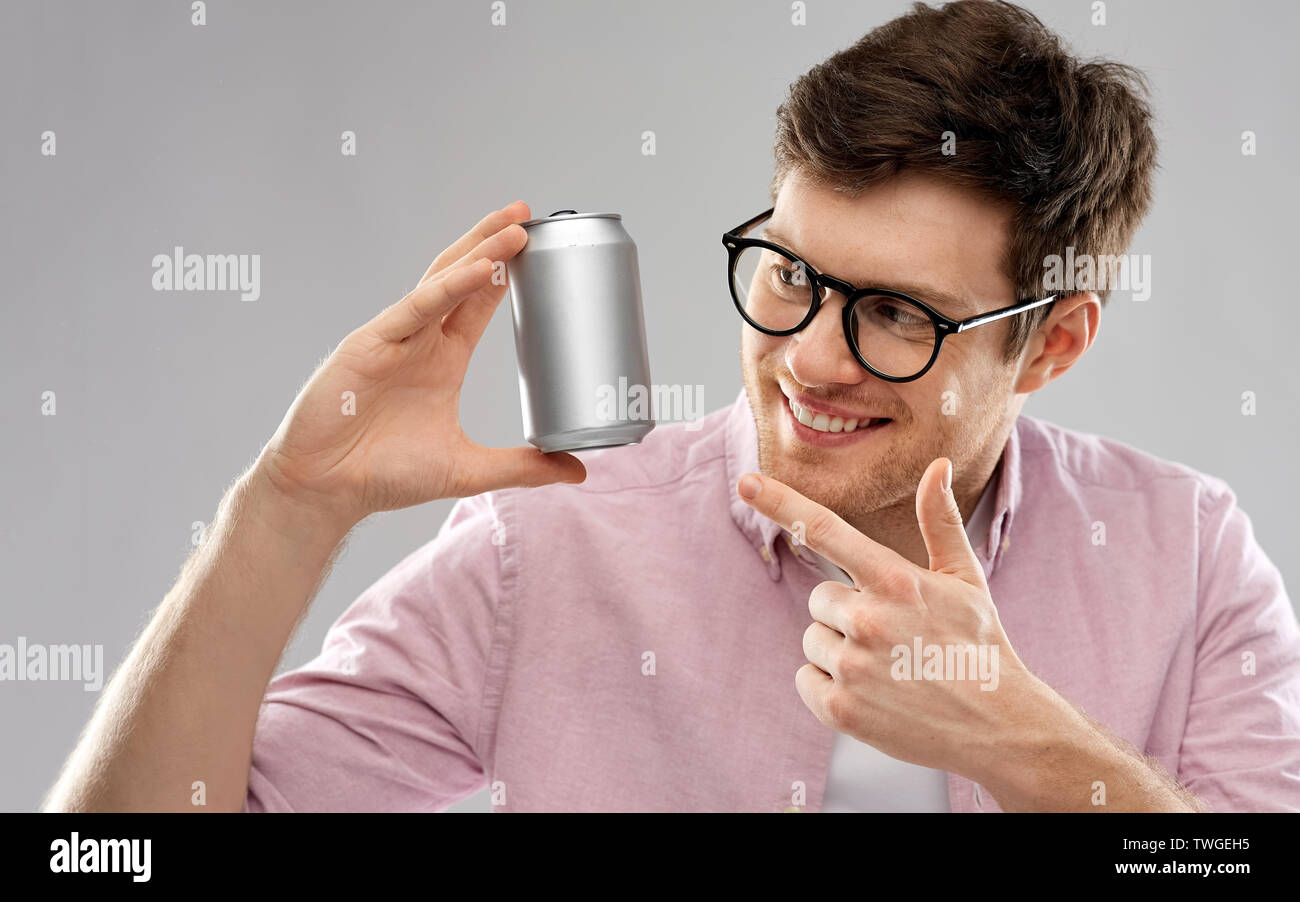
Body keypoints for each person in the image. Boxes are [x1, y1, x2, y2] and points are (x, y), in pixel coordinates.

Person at [45, 0, 1300, 813]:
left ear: (1051, 344)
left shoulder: (1182, 555)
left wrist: (1027, 747)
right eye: (791, 273)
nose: (810, 356)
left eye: (899, 314)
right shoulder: (553, 537)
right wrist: (286, 508)